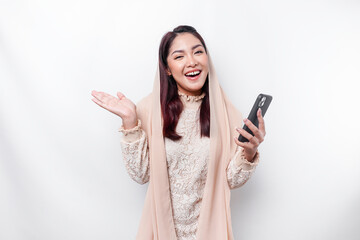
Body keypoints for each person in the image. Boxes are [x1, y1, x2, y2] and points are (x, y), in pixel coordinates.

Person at [91, 25, 266, 240]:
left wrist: (249, 152)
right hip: (160, 230)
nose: (192, 61)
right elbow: (140, 175)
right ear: (167, 68)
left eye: (198, 51)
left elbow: (232, 180)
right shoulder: (147, 109)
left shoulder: (228, 113)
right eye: (179, 56)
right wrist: (129, 121)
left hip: (210, 231)